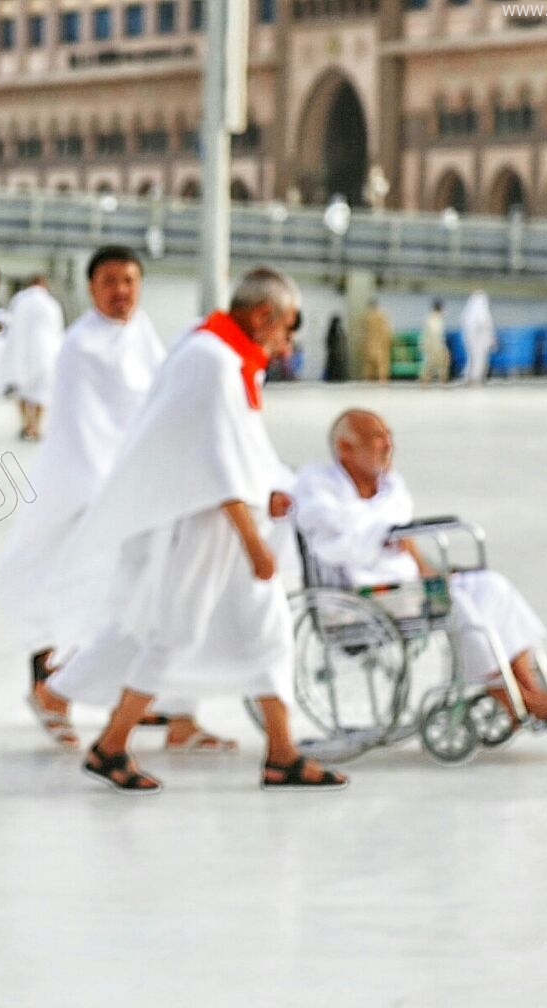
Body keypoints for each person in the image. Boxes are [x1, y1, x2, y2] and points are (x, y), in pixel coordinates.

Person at [46, 267, 347, 793]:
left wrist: (270, 485)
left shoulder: (221, 351)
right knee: (174, 632)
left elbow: (239, 446)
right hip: (211, 524)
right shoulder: (213, 360)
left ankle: (282, 753)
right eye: (287, 327)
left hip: (231, 519)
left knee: (267, 631)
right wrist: (254, 543)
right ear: (262, 316)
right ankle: (111, 744)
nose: (288, 341)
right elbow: (216, 462)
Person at [0, 246, 225, 752]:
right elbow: (86, 432)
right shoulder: (82, 347)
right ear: (92, 288)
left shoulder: (143, 335)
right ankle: (55, 692)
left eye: (129, 281)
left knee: (163, 602)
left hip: (145, 491)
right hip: (93, 492)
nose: (121, 291)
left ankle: (167, 709)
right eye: (109, 282)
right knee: (97, 601)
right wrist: (117, 498)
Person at [293, 409, 547, 728]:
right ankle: (510, 697)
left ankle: (528, 688)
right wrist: (381, 531)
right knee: (454, 604)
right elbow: (345, 535)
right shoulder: (318, 487)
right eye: (377, 439)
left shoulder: (389, 488)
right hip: (358, 594)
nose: (388, 446)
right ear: (346, 449)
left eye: (389, 437)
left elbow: (402, 539)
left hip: (403, 586)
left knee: (490, 586)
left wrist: (431, 572)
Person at [1, 275, 65, 442]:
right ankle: (36, 427)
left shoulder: (20, 301)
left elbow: (10, 327)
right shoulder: (51, 304)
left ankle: (26, 425)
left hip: (22, 352)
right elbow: (57, 331)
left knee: (22, 391)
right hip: (46, 354)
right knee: (42, 393)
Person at [461, 290, 496, 383]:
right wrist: (491, 339)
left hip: (470, 339)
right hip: (480, 340)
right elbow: (485, 324)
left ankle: (469, 377)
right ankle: (476, 379)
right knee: (479, 359)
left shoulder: (468, 311)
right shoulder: (482, 310)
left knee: (472, 358)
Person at [362, 299, 393, 382]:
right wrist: (389, 341)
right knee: (382, 365)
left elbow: (366, 332)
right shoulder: (382, 315)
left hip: (370, 344)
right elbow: (387, 330)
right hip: (381, 344)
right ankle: (383, 382)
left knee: (370, 366)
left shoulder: (368, 317)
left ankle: (368, 383)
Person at [420, 299, 450, 384]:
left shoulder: (431, 317)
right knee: (440, 364)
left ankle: (426, 383)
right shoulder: (436, 319)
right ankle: (442, 383)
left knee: (430, 365)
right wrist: (441, 347)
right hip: (435, 345)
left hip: (431, 345)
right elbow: (436, 334)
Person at [323, 314, 348, 382]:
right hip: (335, 355)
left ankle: (336, 378)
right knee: (334, 369)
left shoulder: (335, 330)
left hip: (336, 354)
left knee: (336, 369)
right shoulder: (336, 330)